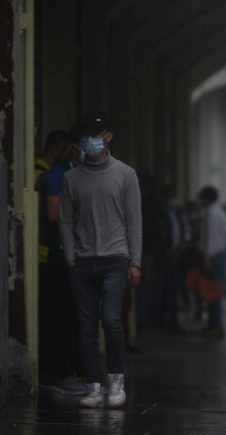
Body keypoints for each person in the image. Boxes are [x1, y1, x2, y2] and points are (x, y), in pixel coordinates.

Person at [59, 112, 142, 408]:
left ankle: (116, 381)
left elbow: (134, 220)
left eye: (94, 135)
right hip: (82, 261)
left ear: (108, 136)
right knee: (86, 325)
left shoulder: (125, 174)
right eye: (84, 135)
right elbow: (66, 220)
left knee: (111, 319)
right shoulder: (71, 178)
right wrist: (70, 255)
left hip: (115, 259)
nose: (88, 141)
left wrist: (135, 261)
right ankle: (93, 386)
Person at [37, 129, 87, 394]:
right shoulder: (57, 176)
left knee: (70, 316)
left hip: (70, 254)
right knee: (60, 317)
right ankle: (57, 374)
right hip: (56, 256)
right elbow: (54, 215)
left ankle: (67, 371)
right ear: (68, 149)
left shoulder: (71, 176)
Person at [197, 185, 226, 339]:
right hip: (219, 255)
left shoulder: (211, 213)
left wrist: (207, 258)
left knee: (213, 292)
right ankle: (213, 324)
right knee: (213, 291)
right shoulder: (220, 212)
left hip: (213, 256)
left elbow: (211, 238)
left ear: (206, 199)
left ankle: (216, 325)